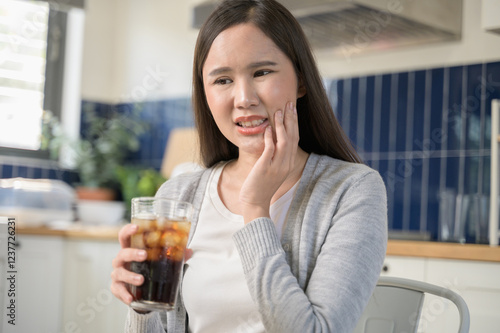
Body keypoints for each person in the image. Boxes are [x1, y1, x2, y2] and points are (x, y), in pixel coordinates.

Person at [111, 0, 388, 332]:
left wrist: (255, 208)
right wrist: (141, 306)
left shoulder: (353, 190)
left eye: (261, 72)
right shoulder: (178, 195)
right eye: (222, 80)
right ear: (205, 93)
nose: (243, 98)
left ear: (301, 81)